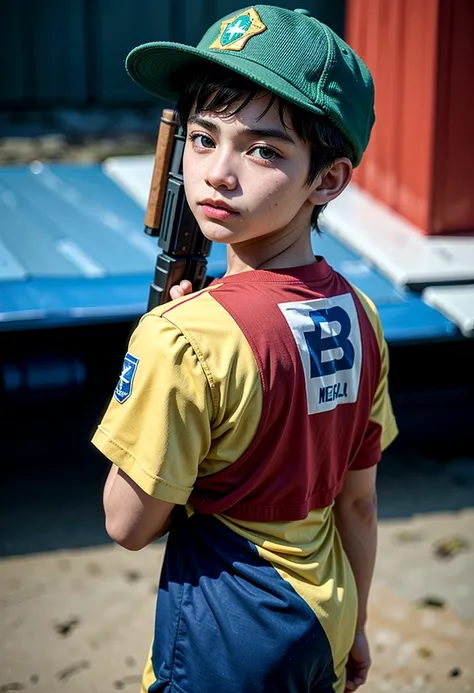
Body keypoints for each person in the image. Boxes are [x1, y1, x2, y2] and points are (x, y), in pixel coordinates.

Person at [92, 6, 398, 692]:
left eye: (263, 150)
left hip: (222, 640)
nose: (218, 173)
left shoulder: (182, 338)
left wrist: (156, 367)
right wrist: (355, 622)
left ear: (328, 179)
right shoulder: (362, 314)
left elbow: (128, 521)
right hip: (322, 617)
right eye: (202, 139)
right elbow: (359, 504)